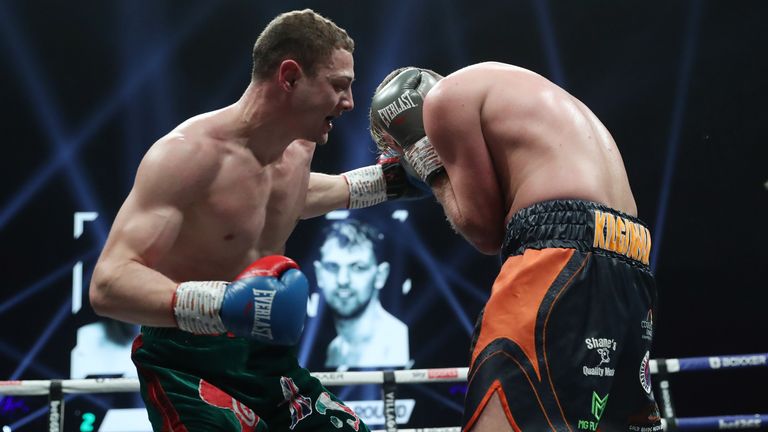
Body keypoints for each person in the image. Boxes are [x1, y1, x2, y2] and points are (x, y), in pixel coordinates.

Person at [89, 9, 423, 431]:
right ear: (289, 77)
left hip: (268, 361)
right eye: (339, 86)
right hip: (187, 365)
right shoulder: (186, 155)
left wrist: (387, 181)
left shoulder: (299, 148)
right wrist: (223, 305)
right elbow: (108, 284)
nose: (350, 102)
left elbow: (288, 198)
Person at [369, 63, 662, 431]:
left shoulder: (443, 102)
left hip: (559, 257)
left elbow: (483, 230)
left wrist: (427, 160)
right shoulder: (517, 90)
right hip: (629, 256)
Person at [314, 219, 409, 369]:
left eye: (358, 267)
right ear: (319, 274)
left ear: (380, 275)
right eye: (332, 267)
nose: (342, 280)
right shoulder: (334, 349)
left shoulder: (397, 339)